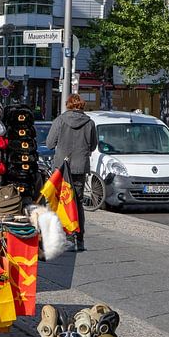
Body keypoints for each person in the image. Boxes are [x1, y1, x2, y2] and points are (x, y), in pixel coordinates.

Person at [46, 94, 97, 252]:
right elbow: (93, 145)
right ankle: (79, 239)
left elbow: (49, 144)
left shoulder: (60, 120)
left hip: (62, 169)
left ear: (68, 105)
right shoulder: (89, 123)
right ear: (81, 106)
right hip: (79, 168)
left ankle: (64, 238)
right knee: (78, 203)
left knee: (62, 202)